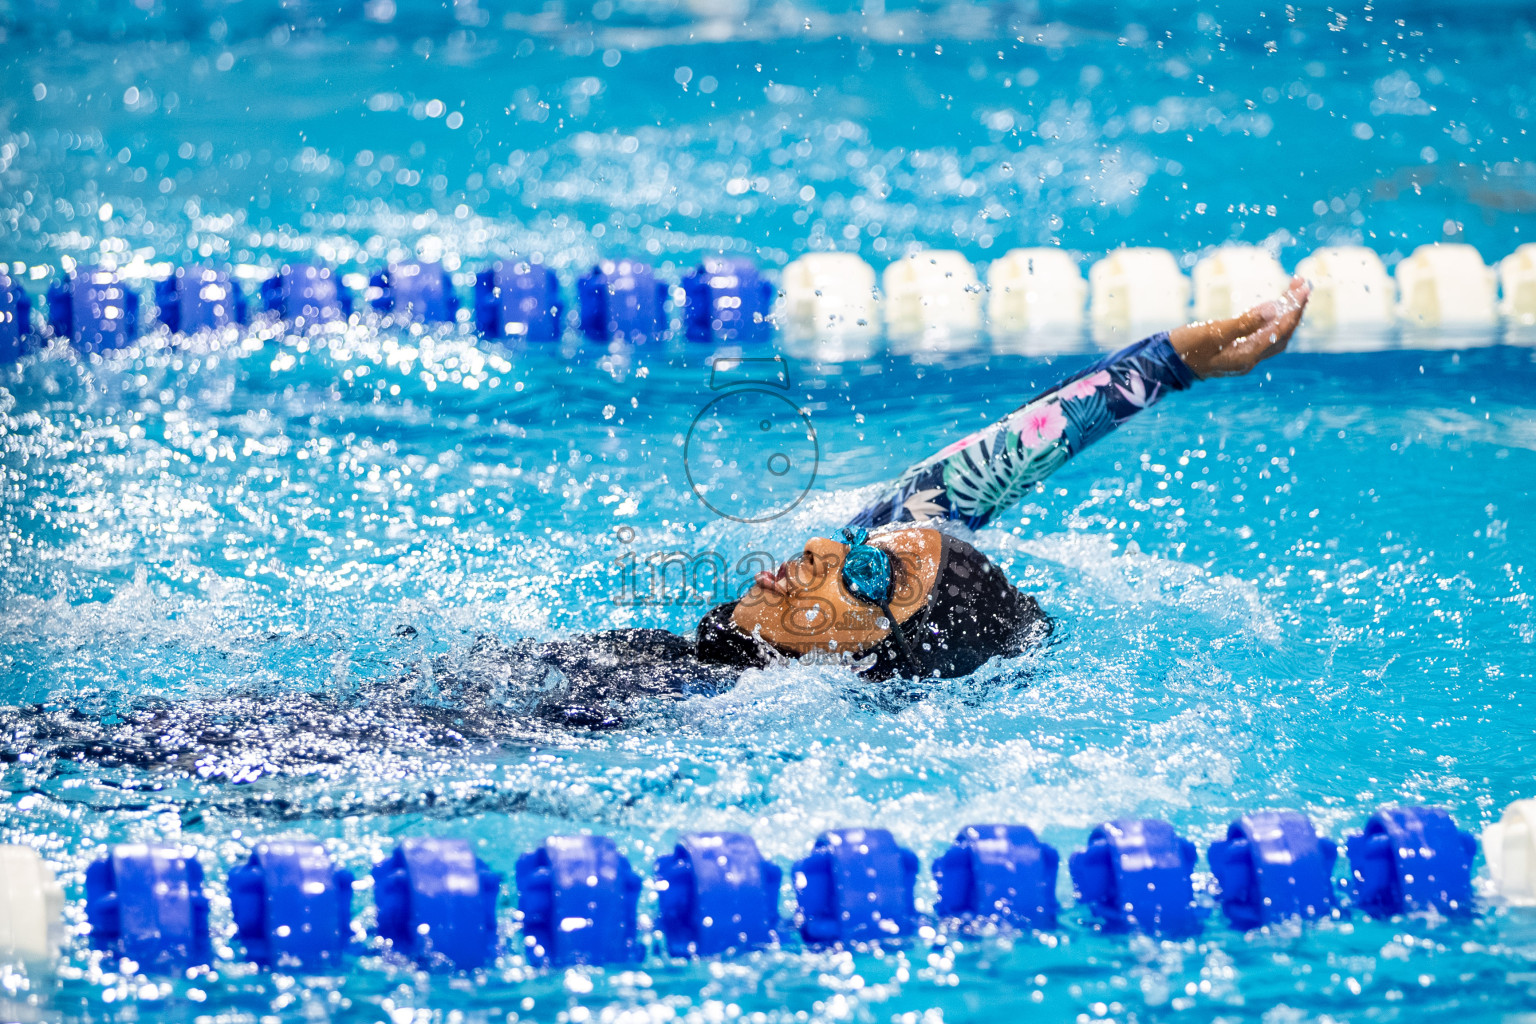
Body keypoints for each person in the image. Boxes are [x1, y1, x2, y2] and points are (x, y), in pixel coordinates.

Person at [2, 277, 1311, 777]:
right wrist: (1160, 364)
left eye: (860, 564)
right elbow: (948, 499)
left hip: (368, 749)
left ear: (863, 649)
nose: (824, 544)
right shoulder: (787, 643)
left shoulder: (728, 710)